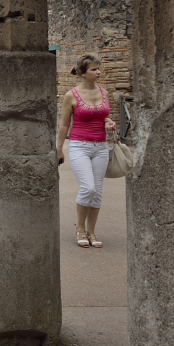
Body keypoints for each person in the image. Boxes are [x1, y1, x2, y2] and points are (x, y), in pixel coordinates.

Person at [57, 52, 117, 249]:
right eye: (94, 69)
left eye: (99, 68)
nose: (99, 72)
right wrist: (59, 149)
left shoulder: (104, 92)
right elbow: (64, 125)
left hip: (100, 146)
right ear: (83, 73)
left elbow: (103, 117)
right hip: (79, 146)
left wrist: (109, 122)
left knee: (97, 192)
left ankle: (92, 231)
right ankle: (80, 229)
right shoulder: (71, 95)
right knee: (88, 188)